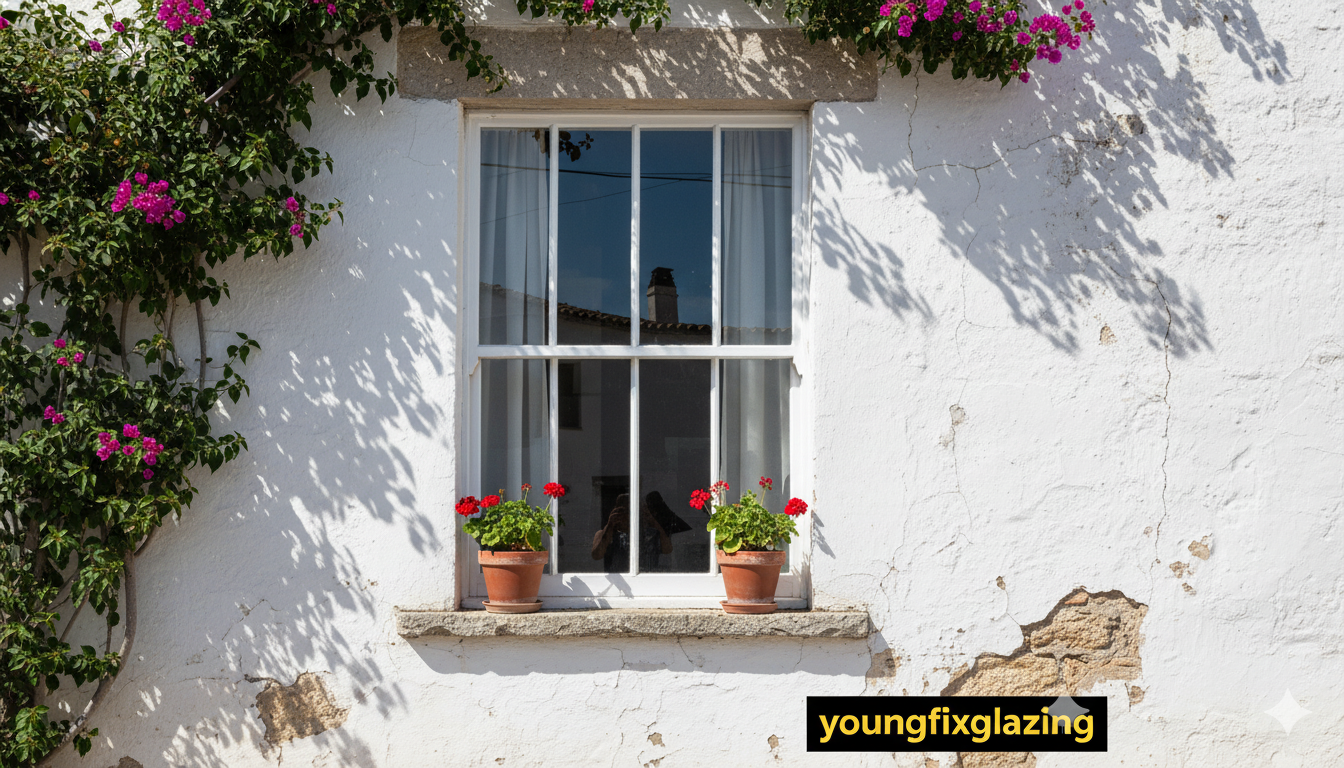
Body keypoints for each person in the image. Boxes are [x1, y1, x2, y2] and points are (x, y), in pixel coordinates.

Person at [590, 493, 673, 572]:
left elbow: (667, 550)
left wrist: (649, 518)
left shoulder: (651, 534)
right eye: (623, 510)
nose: (627, 515)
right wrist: (610, 525)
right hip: (619, 579)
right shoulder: (607, 533)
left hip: (647, 579)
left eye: (630, 511)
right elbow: (597, 555)